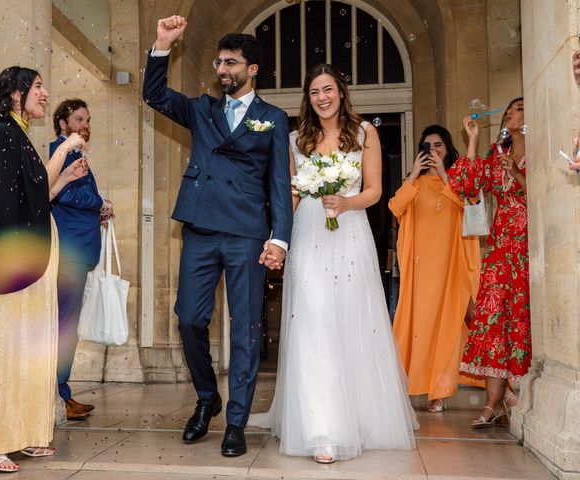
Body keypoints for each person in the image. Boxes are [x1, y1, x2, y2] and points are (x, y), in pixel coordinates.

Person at [248, 63, 417, 463]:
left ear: (341, 92)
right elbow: (290, 195)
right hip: (308, 234)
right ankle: (321, 427)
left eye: (328, 89)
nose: (322, 97)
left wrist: (345, 202)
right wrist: (278, 240)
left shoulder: (364, 134)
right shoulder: (294, 140)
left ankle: (357, 417)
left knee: (350, 322)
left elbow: (375, 190)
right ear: (307, 99)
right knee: (313, 323)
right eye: (314, 92)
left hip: (350, 234)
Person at [142, 16, 292, 457]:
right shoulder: (201, 109)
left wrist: (279, 238)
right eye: (219, 62)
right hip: (202, 228)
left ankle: (237, 421)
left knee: (246, 330)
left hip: (246, 232)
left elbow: (279, 183)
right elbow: (153, 95)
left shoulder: (273, 118)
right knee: (189, 318)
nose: (222, 70)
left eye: (231, 62)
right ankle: (208, 399)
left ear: (253, 69)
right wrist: (162, 45)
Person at [0, 66, 87, 473]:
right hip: (15, 256)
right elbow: (7, 203)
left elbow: (37, 196)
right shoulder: (2, 133)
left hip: (38, 247)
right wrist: (65, 148)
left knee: (32, 347)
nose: (45, 93)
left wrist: (65, 174)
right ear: (16, 94)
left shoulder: (19, 134)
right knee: (6, 347)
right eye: (37, 87)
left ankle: (26, 433)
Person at [389, 125, 482, 413]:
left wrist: (444, 175)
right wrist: (414, 176)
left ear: (448, 148)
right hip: (421, 269)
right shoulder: (412, 183)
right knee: (426, 327)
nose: (433, 151)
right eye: (428, 146)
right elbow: (395, 207)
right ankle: (434, 393)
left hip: (453, 264)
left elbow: (471, 209)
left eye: (439, 145)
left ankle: (497, 385)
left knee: (462, 322)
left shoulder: (455, 180)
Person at [449, 98, 529, 427]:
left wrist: (518, 175)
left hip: (530, 244)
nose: (510, 112)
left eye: (519, 108)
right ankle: (493, 403)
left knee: (522, 320)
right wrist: (472, 140)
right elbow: (465, 185)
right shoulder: (496, 155)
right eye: (508, 110)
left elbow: (549, 193)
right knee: (494, 320)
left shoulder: (542, 145)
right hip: (500, 247)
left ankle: (518, 395)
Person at [50, 98, 113, 420]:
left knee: (68, 326)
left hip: (81, 247)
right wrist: (98, 200)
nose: (85, 124)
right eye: (78, 119)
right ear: (62, 122)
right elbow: (61, 193)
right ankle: (58, 394)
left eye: (87, 119)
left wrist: (98, 213)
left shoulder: (77, 153)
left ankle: (63, 392)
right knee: (64, 326)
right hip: (69, 251)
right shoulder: (58, 152)